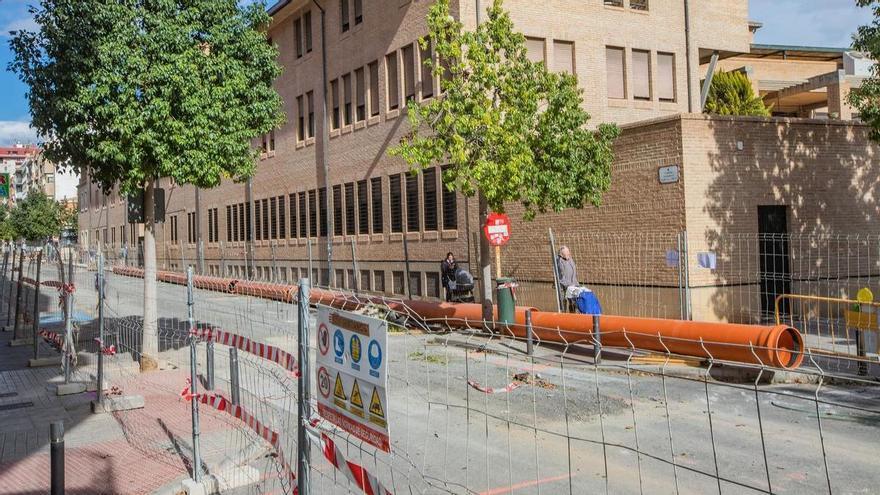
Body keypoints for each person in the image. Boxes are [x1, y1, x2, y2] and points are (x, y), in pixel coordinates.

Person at [556, 246, 578, 312]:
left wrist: (575, 283)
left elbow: (573, 271)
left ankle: (572, 315)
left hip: (572, 284)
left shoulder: (570, 259)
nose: (568, 254)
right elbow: (561, 270)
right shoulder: (559, 260)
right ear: (561, 254)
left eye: (568, 252)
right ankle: (563, 315)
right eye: (566, 252)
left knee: (573, 302)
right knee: (563, 301)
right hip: (563, 285)